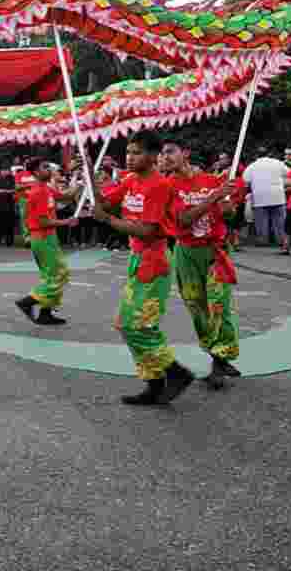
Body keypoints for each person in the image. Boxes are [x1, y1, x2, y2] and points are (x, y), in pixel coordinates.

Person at [93, 130, 196, 406]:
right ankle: (154, 384)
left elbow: (148, 231)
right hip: (137, 260)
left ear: (153, 156)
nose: (129, 157)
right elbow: (103, 202)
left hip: (155, 261)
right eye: (128, 152)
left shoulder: (159, 186)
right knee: (128, 325)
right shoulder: (130, 180)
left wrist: (108, 221)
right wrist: (90, 182)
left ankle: (175, 373)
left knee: (137, 325)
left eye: (136, 152)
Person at [160, 141, 242, 390]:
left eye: (170, 151)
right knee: (196, 306)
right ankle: (216, 352)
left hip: (215, 251)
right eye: (162, 154)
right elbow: (183, 221)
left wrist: (227, 207)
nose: (165, 157)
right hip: (186, 252)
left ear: (185, 153)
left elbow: (228, 215)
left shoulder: (212, 179)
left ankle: (220, 359)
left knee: (219, 304)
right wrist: (214, 197)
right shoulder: (168, 186)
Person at [15, 158, 78, 326]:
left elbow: (66, 196)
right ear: (36, 172)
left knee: (51, 276)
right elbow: (43, 221)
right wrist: (66, 222)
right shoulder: (39, 192)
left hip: (48, 238)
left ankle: (45, 313)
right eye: (45, 167)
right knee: (60, 274)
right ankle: (28, 301)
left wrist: (80, 179)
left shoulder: (46, 189)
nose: (49, 169)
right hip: (42, 238)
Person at [242, 148, 290, 253]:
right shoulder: (278, 163)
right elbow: (289, 173)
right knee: (279, 221)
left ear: (257, 155)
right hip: (277, 196)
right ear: (269, 154)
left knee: (261, 221)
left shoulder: (252, 166)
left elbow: (245, 180)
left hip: (260, 197)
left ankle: (263, 239)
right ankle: (281, 240)